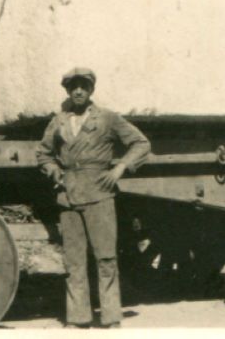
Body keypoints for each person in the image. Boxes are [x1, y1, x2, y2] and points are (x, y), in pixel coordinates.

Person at [35, 68, 151, 328]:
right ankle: (78, 319)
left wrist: (121, 167)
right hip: (68, 195)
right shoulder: (59, 121)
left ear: (91, 90)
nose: (78, 91)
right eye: (73, 86)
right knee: (74, 261)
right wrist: (54, 171)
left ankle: (111, 318)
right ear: (67, 90)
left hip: (99, 193)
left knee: (106, 257)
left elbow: (141, 143)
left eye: (83, 86)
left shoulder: (107, 118)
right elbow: (43, 153)